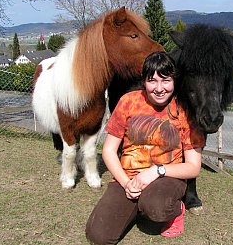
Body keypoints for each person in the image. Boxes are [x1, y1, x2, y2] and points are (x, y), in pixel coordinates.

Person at [85, 51, 205, 245]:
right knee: (98, 236)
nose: (159, 88)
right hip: (129, 178)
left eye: (165, 81)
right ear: (144, 82)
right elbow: (108, 150)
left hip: (167, 177)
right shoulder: (128, 102)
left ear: (175, 81)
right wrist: (126, 183)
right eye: (152, 81)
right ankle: (140, 203)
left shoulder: (185, 109)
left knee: (156, 207)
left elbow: (193, 166)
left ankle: (175, 210)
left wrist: (156, 171)